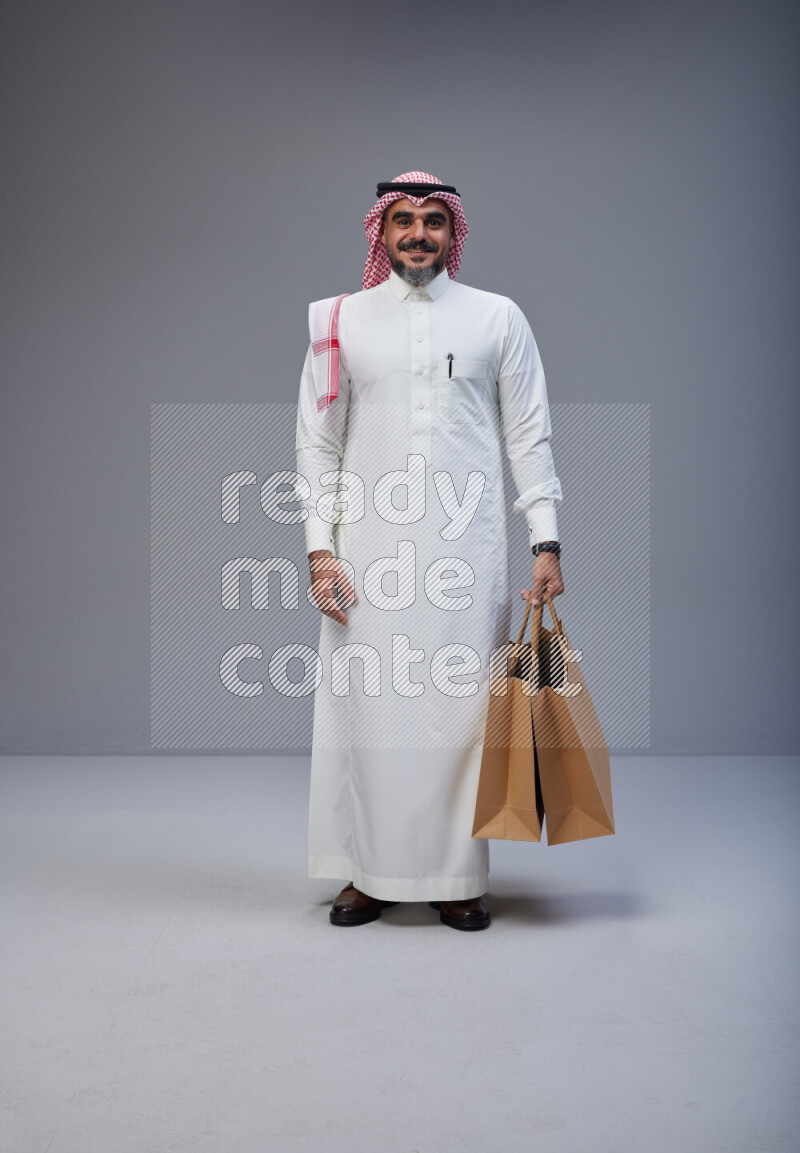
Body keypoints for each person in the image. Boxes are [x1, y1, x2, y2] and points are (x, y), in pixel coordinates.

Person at [294, 172, 563, 931]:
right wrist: (320, 550)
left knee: (463, 713)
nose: (417, 234)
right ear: (380, 232)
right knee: (369, 708)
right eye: (403, 221)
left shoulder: (497, 319)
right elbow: (317, 443)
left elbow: (529, 436)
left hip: (465, 551)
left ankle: (456, 876)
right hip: (365, 553)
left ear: (454, 233)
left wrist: (546, 538)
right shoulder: (337, 320)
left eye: (433, 221)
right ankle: (368, 873)